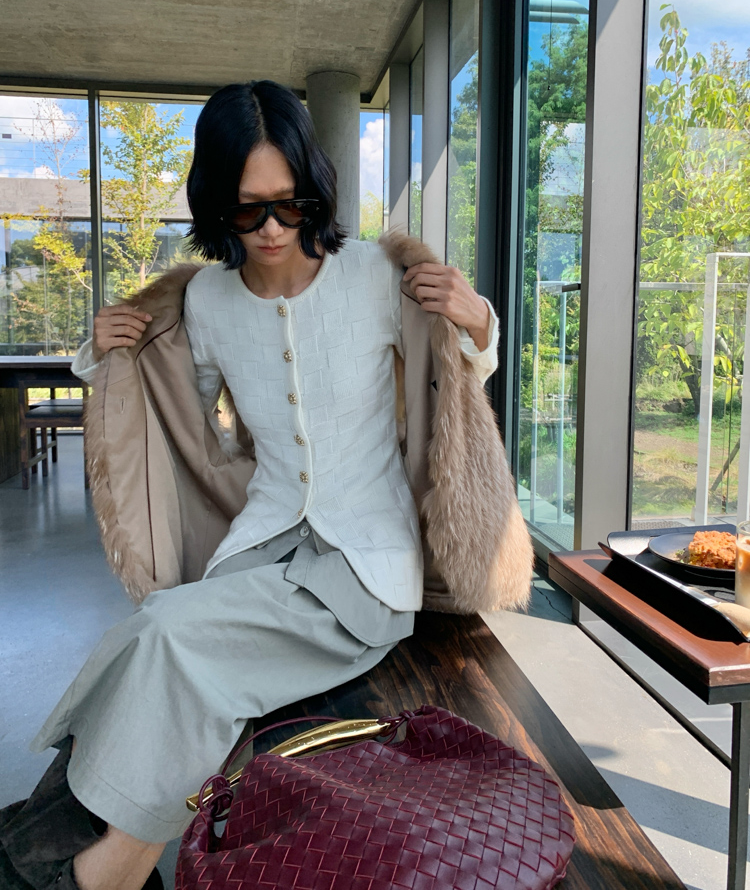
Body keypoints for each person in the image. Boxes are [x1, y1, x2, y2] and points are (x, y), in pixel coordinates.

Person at [0, 80, 522, 890]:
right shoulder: (208, 300)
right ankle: (91, 868)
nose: (274, 228)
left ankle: (72, 863)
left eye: (291, 203)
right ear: (217, 205)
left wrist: (479, 318)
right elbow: (166, 397)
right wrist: (102, 352)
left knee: (166, 636)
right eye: (249, 210)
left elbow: (457, 374)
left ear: (315, 190)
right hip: (260, 545)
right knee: (164, 649)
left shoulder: (374, 275)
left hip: (364, 569)